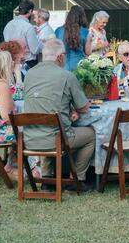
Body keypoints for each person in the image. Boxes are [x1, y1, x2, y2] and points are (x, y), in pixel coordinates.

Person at [21, 39, 95, 181]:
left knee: (47, 126)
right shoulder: (67, 76)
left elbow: (43, 101)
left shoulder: (29, 74)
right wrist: (77, 108)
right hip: (56, 139)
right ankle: (77, 178)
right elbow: (83, 107)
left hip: (29, 139)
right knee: (91, 134)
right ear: (60, 57)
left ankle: (47, 178)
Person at [4, 0, 41, 67]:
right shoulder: (29, 27)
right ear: (30, 11)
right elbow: (35, 50)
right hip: (27, 63)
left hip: (11, 62)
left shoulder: (8, 25)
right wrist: (42, 44)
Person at [55, 5, 90, 71]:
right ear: (82, 17)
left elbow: (55, 49)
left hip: (62, 65)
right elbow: (88, 52)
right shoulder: (85, 31)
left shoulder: (58, 30)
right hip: (79, 66)